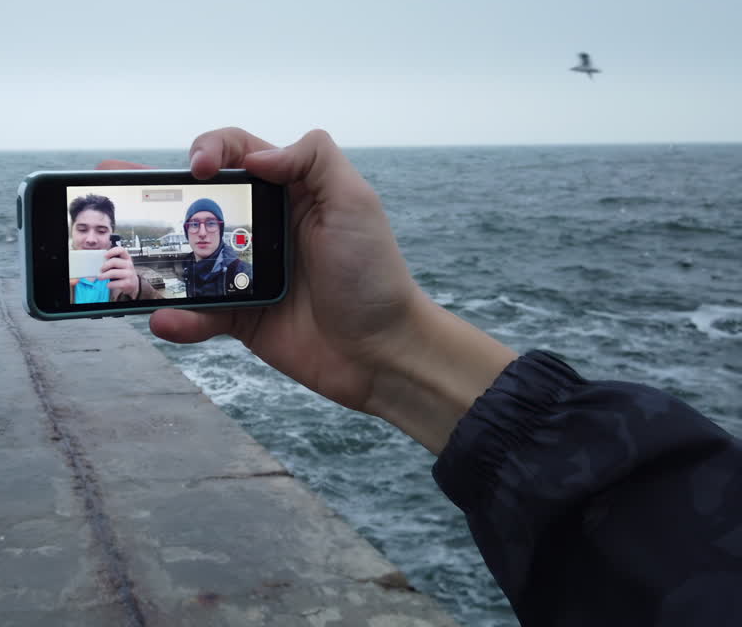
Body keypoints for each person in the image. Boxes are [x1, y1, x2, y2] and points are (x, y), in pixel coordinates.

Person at [100, 128, 741, 626]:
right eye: (196, 224)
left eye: (212, 221)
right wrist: (393, 345)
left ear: (221, 228)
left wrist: (389, 346)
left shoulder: (235, 273)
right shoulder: (177, 272)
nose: (204, 230)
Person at [68, 193, 162, 304]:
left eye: (101, 231)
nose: (91, 239)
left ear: (112, 234)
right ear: (71, 232)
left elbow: (168, 316)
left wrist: (138, 290)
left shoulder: (126, 278)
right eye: (82, 229)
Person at [180, 197, 254, 297]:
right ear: (186, 232)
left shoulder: (244, 274)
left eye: (211, 223)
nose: (202, 233)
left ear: (220, 231)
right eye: (194, 224)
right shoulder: (189, 269)